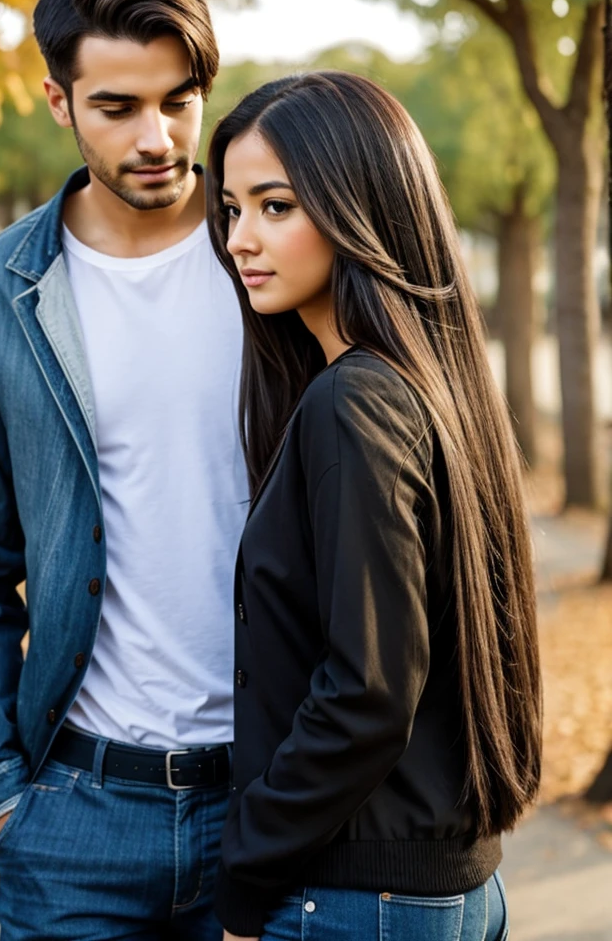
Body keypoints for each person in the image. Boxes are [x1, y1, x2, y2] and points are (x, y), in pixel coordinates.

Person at [0, 0, 248, 941]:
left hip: (275, 800)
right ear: (58, 100)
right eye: (117, 107)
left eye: (178, 99)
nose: (157, 136)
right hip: (76, 816)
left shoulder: (271, 258)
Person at [205, 71, 542, 941]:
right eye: (233, 209)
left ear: (361, 206)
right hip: (440, 887)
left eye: (276, 206)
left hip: (356, 902)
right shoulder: (428, 386)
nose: (241, 238)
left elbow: (367, 692)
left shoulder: (355, 402)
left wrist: (246, 868)